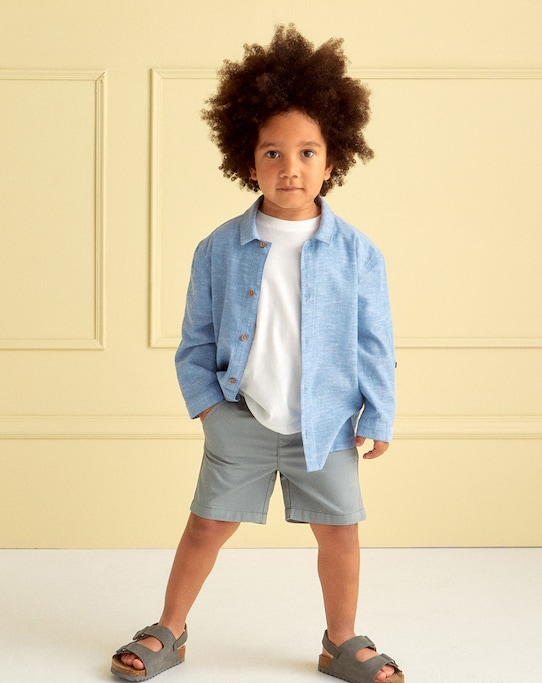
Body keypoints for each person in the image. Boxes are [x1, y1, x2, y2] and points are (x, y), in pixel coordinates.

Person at [111, 24, 403, 683]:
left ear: (332, 161)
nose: (289, 167)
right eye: (273, 152)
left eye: (307, 152)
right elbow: (194, 340)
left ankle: (341, 640)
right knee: (206, 527)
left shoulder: (358, 254)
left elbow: (375, 343)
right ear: (247, 161)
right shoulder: (219, 248)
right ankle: (170, 628)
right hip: (241, 417)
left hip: (327, 424)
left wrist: (379, 413)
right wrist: (209, 410)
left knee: (340, 532)